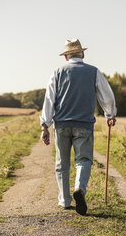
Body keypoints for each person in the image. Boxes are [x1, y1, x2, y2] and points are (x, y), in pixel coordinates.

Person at [40, 39, 117, 215]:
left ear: (66, 57)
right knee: (83, 160)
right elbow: (107, 96)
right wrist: (110, 114)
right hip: (84, 124)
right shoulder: (93, 72)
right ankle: (79, 189)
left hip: (62, 124)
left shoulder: (57, 73)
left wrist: (45, 125)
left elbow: (49, 101)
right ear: (82, 54)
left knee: (62, 163)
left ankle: (65, 201)